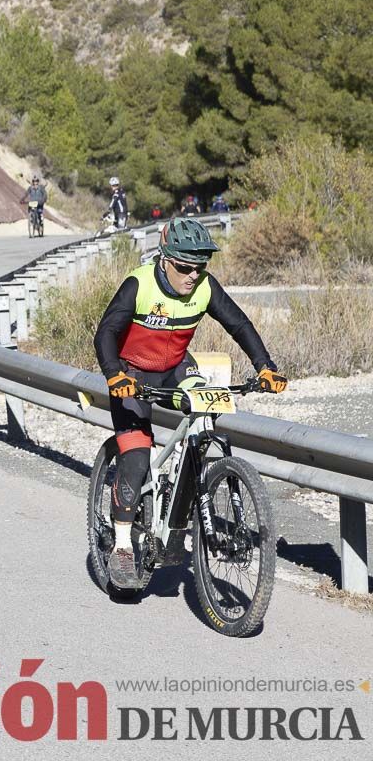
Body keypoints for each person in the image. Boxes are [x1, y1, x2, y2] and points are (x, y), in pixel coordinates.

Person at [93, 217, 287, 588]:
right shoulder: (140, 283)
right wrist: (114, 374)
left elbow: (240, 325)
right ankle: (121, 544)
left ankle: (188, 498)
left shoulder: (204, 286)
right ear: (165, 259)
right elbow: (107, 331)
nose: (191, 276)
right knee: (135, 455)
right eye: (183, 267)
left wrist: (265, 366)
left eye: (199, 268)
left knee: (206, 417)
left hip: (177, 368)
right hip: (132, 371)